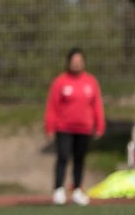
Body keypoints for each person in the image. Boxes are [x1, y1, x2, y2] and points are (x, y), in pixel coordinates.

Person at [44, 48, 104, 206]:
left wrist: (99, 125)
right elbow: (52, 106)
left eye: (79, 61)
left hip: (84, 128)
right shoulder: (60, 82)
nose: (77, 64)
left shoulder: (91, 81)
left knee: (80, 159)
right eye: (74, 61)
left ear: (83, 63)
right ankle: (58, 189)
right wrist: (50, 126)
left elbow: (97, 105)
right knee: (63, 157)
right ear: (69, 62)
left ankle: (77, 189)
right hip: (64, 127)